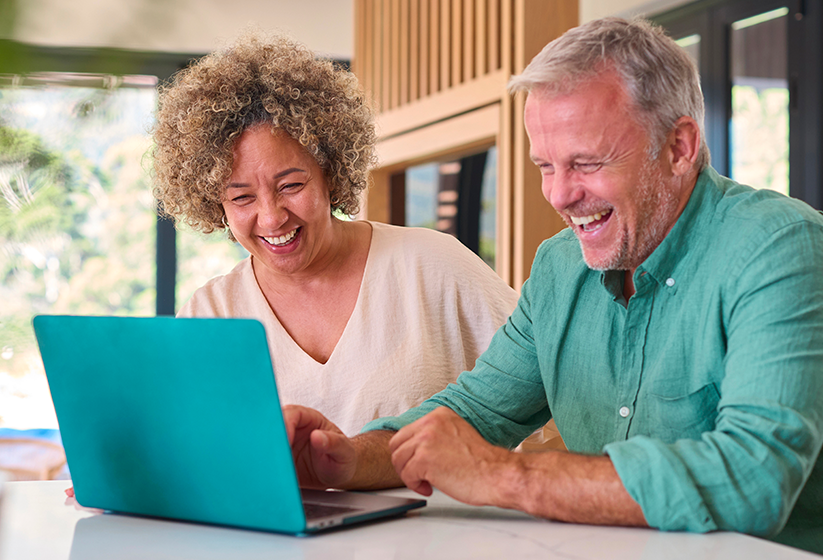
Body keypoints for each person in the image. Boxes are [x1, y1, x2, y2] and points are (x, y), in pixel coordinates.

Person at [283, 17, 823, 554]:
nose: (559, 196)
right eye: (546, 165)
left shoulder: (778, 247)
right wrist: (351, 458)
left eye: (586, 163)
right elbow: (476, 412)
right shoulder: (560, 266)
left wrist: (507, 477)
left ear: (679, 147)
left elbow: (756, 477)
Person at [150, 34, 519, 437]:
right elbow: (184, 447)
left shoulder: (432, 265)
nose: (272, 218)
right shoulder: (211, 314)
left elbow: (549, 395)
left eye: (291, 186)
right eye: (241, 197)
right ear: (214, 202)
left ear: (330, 171)